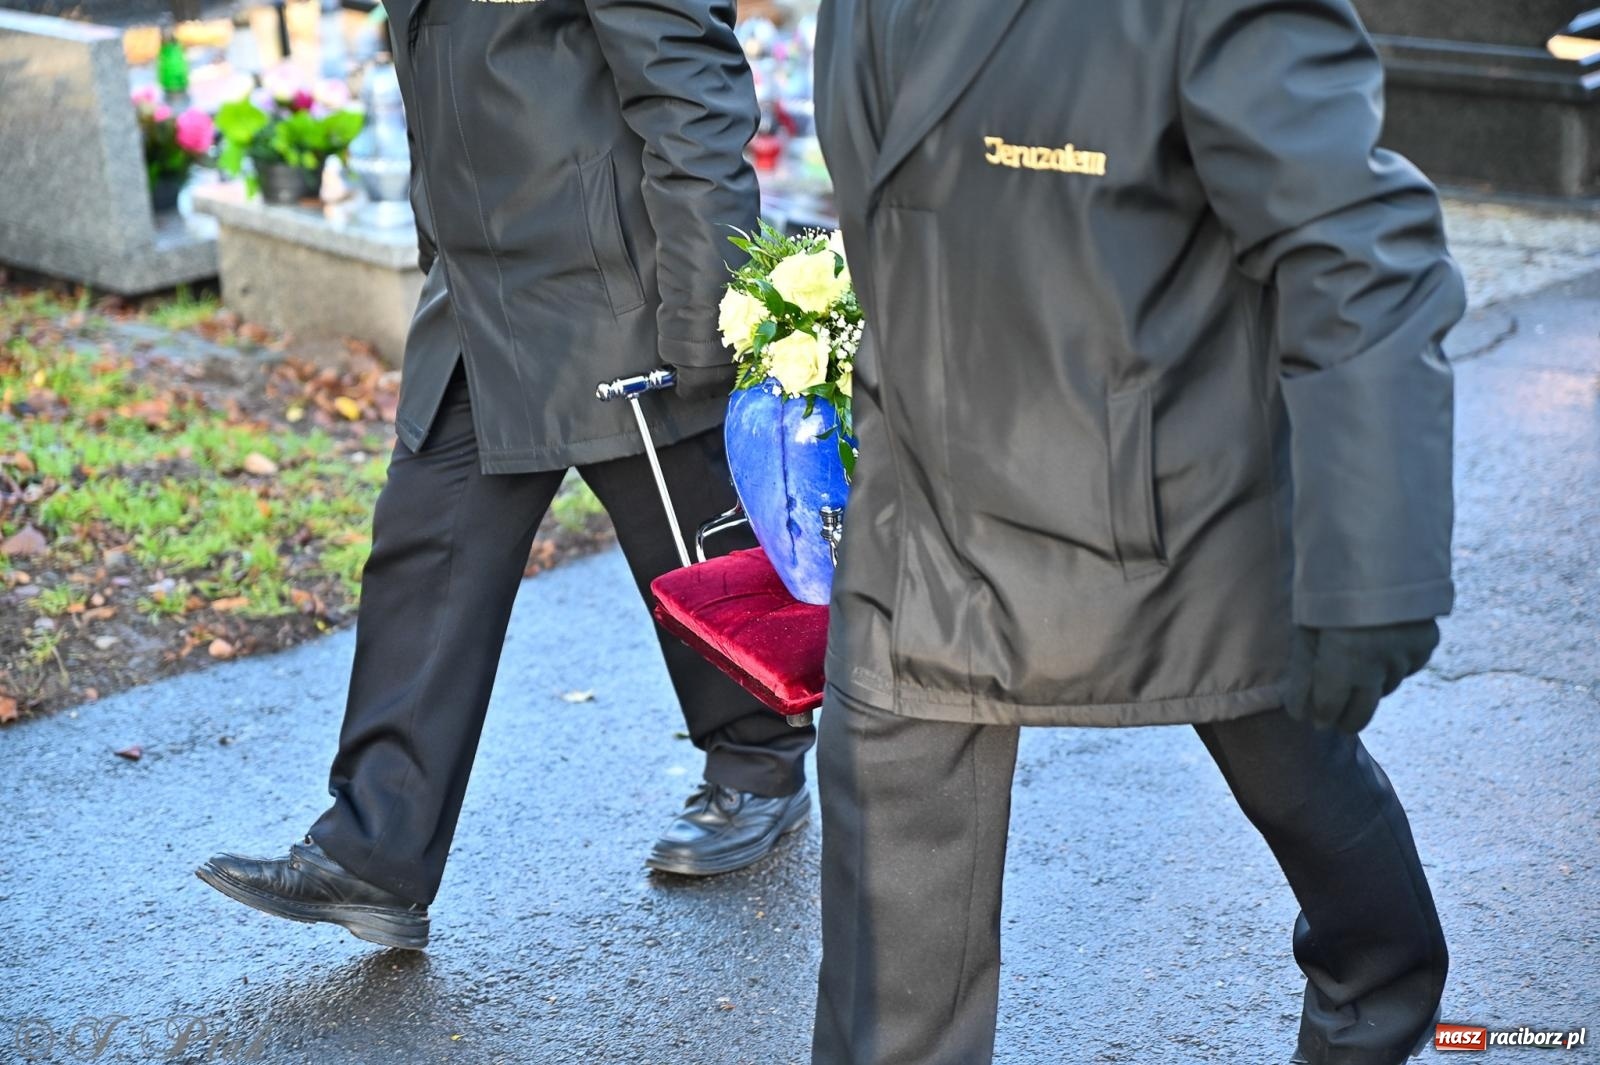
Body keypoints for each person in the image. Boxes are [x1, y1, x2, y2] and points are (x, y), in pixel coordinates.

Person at [808, 0, 1465, 1062]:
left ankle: (1382, 997)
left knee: (1296, 761)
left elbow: (1355, 253)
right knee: (885, 1016)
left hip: (1179, 516)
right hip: (914, 523)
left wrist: (1374, 572)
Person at [197, 0, 814, 951]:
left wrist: (706, 308)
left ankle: (760, 764)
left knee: (691, 536)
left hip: (618, 284)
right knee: (423, 544)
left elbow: (691, 82)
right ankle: (376, 851)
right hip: (481, 296)